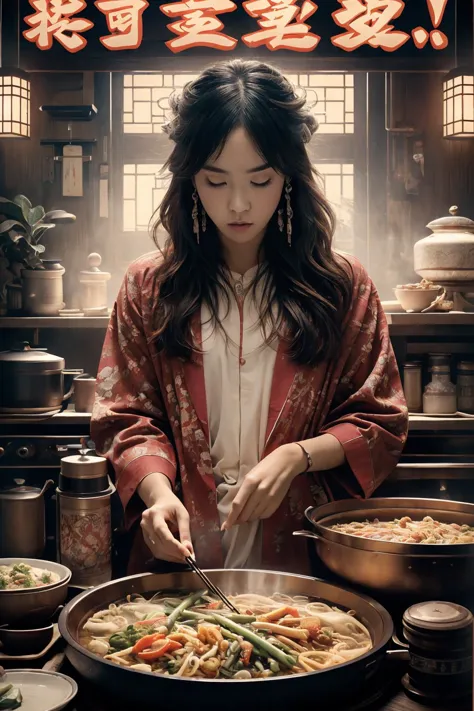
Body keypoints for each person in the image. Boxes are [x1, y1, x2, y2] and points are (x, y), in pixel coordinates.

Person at [91, 59, 408, 576]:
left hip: (302, 561)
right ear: (191, 179)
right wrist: (156, 491)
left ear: (288, 176)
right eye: (215, 182)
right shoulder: (149, 286)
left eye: (260, 180)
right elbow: (125, 415)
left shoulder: (341, 285)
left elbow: (380, 418)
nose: (238, 204)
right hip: (183, 562)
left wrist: (296, 456)